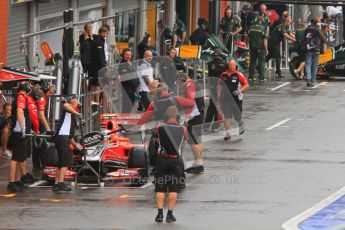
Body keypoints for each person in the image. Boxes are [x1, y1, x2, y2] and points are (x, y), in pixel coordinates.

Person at [154, 106, 188, 223]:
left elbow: (157, 141)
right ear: (178, 116)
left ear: (166, 116)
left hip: (162, 159)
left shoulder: (159, 127)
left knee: (160, 188)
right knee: (174, 189)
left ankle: (159, 215)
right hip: (175, 160)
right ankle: (169, 215)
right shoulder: (183, 128)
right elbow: (183, 143)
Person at [8, 82, 34, 192]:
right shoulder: (21, 98)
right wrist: (23, 129)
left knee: (20, 157)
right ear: (27, 89)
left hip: (20, 131)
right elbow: (19, 112)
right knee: (15, 158)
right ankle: (12, 182)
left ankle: (17, 179)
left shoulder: (20, 98)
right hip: (19, 132)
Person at [52, 97, 83, 192]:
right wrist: (76, 112)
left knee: (61, 162)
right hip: (62, 138)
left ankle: (57, 183)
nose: (78, 104)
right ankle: (61, 183)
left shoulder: (71, 115)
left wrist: (75, 144)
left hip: (62, 137)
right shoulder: (68, 110)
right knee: (67, 160)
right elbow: (65, 105)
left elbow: (69, 134)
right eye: (77, 102)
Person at [217, 60, 249, 142]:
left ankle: (240, 124)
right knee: (226, 116)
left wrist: (239, 91)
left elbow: (246, 85)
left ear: (235, 66)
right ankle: (228, 134)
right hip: (226, 99)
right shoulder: (223, 74)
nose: (231, 67)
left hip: (236, 99)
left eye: (233, 65)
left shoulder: (239, 74)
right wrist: (219, 96)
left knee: (237, 116)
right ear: (228, 65)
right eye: (230, 65)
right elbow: (219, 85)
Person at [181, 74, 205, 174]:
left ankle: (199, 164)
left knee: (192, 141)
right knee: (197, 140)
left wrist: (186, 117)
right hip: (200, 114)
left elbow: (190, 102)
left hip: (195, 115)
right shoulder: (195, 84)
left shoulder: (189, 85)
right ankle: (198, 163)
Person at [204, 48, 227, 132]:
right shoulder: (224, 64)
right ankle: (215, 126)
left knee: (211, 106)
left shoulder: (210, 64)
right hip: (220, 87)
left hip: (212, 86)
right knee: (218, 106)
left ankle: (206, 125)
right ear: (221, 54)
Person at [34, 82, 55, 172]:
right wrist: (48, 128)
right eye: (50, 92)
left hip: (38, 124)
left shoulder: (42, 98)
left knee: (37, 144)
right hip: (40, 125)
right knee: (41, 144)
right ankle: (42, 165)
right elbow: (41, 115)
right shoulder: (42, 99)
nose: (52, 94)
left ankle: (37, 165)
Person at [303, 18, 328, 87]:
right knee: (314, 65)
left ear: (310, 22)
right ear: (316, 23)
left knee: (308, 64)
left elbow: (303, 39)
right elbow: (324, 39)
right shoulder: (318, 30)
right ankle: (313, 80)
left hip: (308, 49)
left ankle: (308, 79)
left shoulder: (306, 29)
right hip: (316, 49)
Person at [118, 48, 139, 113]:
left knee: (130, 105)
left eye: (130, 54)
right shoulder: (122, 65)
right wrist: (135, 83)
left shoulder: (131, 63)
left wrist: (137, 82)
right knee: (126, 105)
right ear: (123, 55)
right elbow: (127, 77)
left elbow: (135, 74)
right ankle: (123, 119)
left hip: (132, 88)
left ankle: (126, 118)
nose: (128, 56)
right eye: (127, 54)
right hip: (126, 87)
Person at [248, 16, 268, 82]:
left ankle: (251, 77)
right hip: (260, 47)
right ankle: (262, 77)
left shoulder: (251, 27)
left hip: (252, 47)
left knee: (252, 61)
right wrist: (266, 48)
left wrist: (249, 46)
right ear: (262, 21)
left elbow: (248, 37)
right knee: (261, 62)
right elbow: (265, 39)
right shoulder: (263, 28)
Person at [93, 26, 109, 103]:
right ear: (103, 33)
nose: (106, 35)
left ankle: (97, 101)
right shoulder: (99, 41)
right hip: (99, 66)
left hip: (100, 65)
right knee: (98, 84)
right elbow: (100, 55)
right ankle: (96, 101)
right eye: (106, 33)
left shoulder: (102, 40)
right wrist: (103, 66)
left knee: (97, 84)